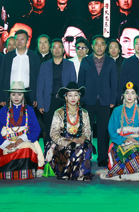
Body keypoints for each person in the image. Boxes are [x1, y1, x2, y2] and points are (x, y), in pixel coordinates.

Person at [0, 81, 44, 180]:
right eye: (13, 94)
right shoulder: (3, 110)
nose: (16, 97)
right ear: (9, 95)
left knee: (26, 148)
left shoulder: (29, 110)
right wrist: (6, 143)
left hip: (24, 141)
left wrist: (23, 138)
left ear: (23, 95)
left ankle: (22, 172)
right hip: (6, 140)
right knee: (5, 151)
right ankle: (8, 171)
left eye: (19, 94)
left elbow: (36, 130)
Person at [100, 82, 139, 181]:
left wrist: (137, 140)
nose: (130, 96)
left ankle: (132, 169)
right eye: (127, 93)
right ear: (123, 95)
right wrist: (123, 140)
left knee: (136, 151)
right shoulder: (117, 111)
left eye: (132, 93)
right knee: (123, 154)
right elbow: (111, 130)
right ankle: (127, 170)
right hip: (121, 142)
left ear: (137, 96)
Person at [78, 35, 117, 168]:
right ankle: (86, 156)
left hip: (105, 101)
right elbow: (81, 81)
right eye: (96, 44)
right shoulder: (86, 61)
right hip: (88, 100)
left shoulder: (110, 61)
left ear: (105, 46)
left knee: (103, 131)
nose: (99, 46)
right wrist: (80, 99)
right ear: (92, 46)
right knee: (86, 131)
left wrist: (112, 99)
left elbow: (114, 82)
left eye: (102, 44)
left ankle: (102, 158)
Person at [46, 82, 93, 181]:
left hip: (78, 140)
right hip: (62, 141)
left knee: (86, 147)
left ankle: (81, 174)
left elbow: (87, 131)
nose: (73, 98)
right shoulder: (58, 112)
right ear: (65, 97)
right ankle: (65, 173)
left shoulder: (84, 113)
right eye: (70, 95)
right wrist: (69, 141)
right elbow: (53, 134)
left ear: (79, 97)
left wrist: (82, 138)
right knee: (66, 149)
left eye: (75, 95)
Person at [37, 38, 77, 143]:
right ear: (51, 50)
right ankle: (48, 152)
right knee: (49, 130)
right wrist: (40, 104)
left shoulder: (70, 65)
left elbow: (74, 84)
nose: (57, 49)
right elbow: (40, 86)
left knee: (65, 130)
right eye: (54, 47)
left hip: (64, 101)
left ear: (63, 49)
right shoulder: (44, 65)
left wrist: (73, 102)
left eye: (59, 47)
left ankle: (64, 152)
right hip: (49, 101)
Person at [0, 29, 41, 108]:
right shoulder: (7, 57)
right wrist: (2, 97)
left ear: (27, 40)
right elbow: (2, 77)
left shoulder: (34, 56)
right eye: (17, 39)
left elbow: (38, 78)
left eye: (22, 39)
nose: (19, 42)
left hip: (28, 94)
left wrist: (36, 97)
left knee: (28, 115)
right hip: (10, 93)